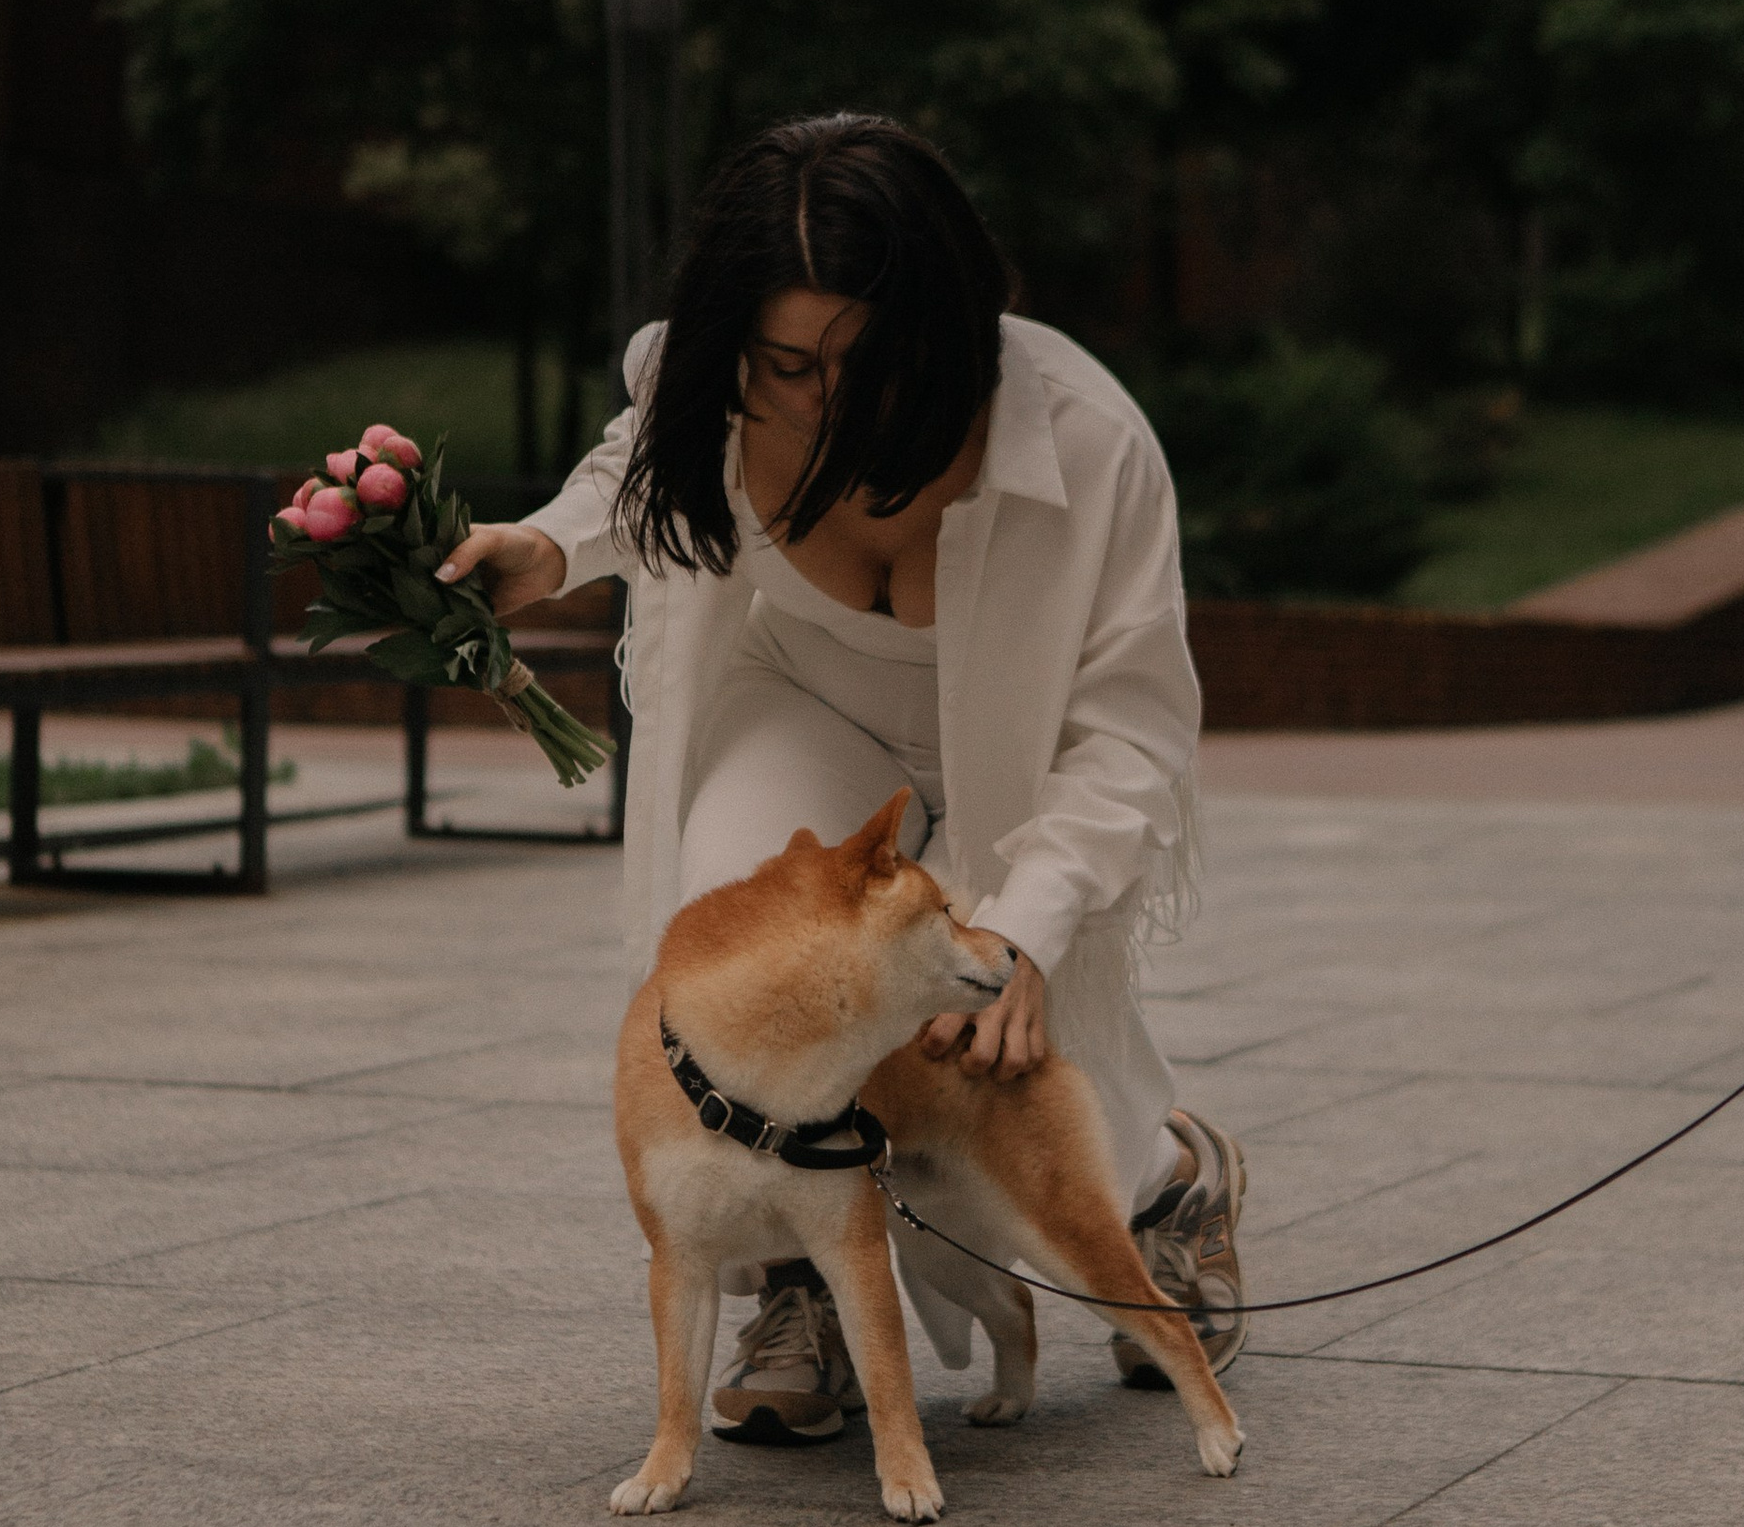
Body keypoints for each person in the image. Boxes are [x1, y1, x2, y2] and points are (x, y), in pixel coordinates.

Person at [439, 111, 1247, 1441]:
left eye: (868, 361)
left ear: (951, 329)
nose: (826, 398)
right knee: (753, 966)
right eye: (788, 365)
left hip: (1021, 747)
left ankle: (1170, 1188)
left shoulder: (1092, 440)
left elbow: (1132, 732)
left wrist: (1027, 932)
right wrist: (547, 549)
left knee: (1002, 1065)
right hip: (808, 702)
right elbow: (635, 468)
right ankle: (796, 1282)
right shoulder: (712, 386)